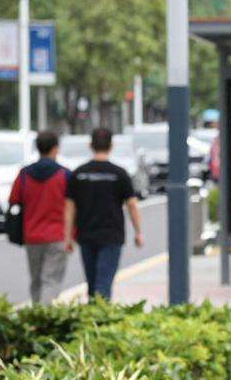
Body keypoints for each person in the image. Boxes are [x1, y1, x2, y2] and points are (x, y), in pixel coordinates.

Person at [63, 126, 143, 299]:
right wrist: (138, 232)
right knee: (103, 283)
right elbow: (132, 205)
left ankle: (94, 318)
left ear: (90, 145)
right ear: (111, 146)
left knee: (92, 284)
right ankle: (101, 321)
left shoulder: (79, 173)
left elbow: (69, 207)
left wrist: (67, 236)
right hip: (111, 236)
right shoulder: (119, 174)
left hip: (86, 235)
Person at [9, 130, 70, 303]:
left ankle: (36, 316)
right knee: (50, 280)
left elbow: (14, 199)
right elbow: (73, 205)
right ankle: (44, 318)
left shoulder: (24, 174)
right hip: (57, 235)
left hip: (32, 236)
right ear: (55, 149)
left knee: (36, 281)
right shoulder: (64, 175)